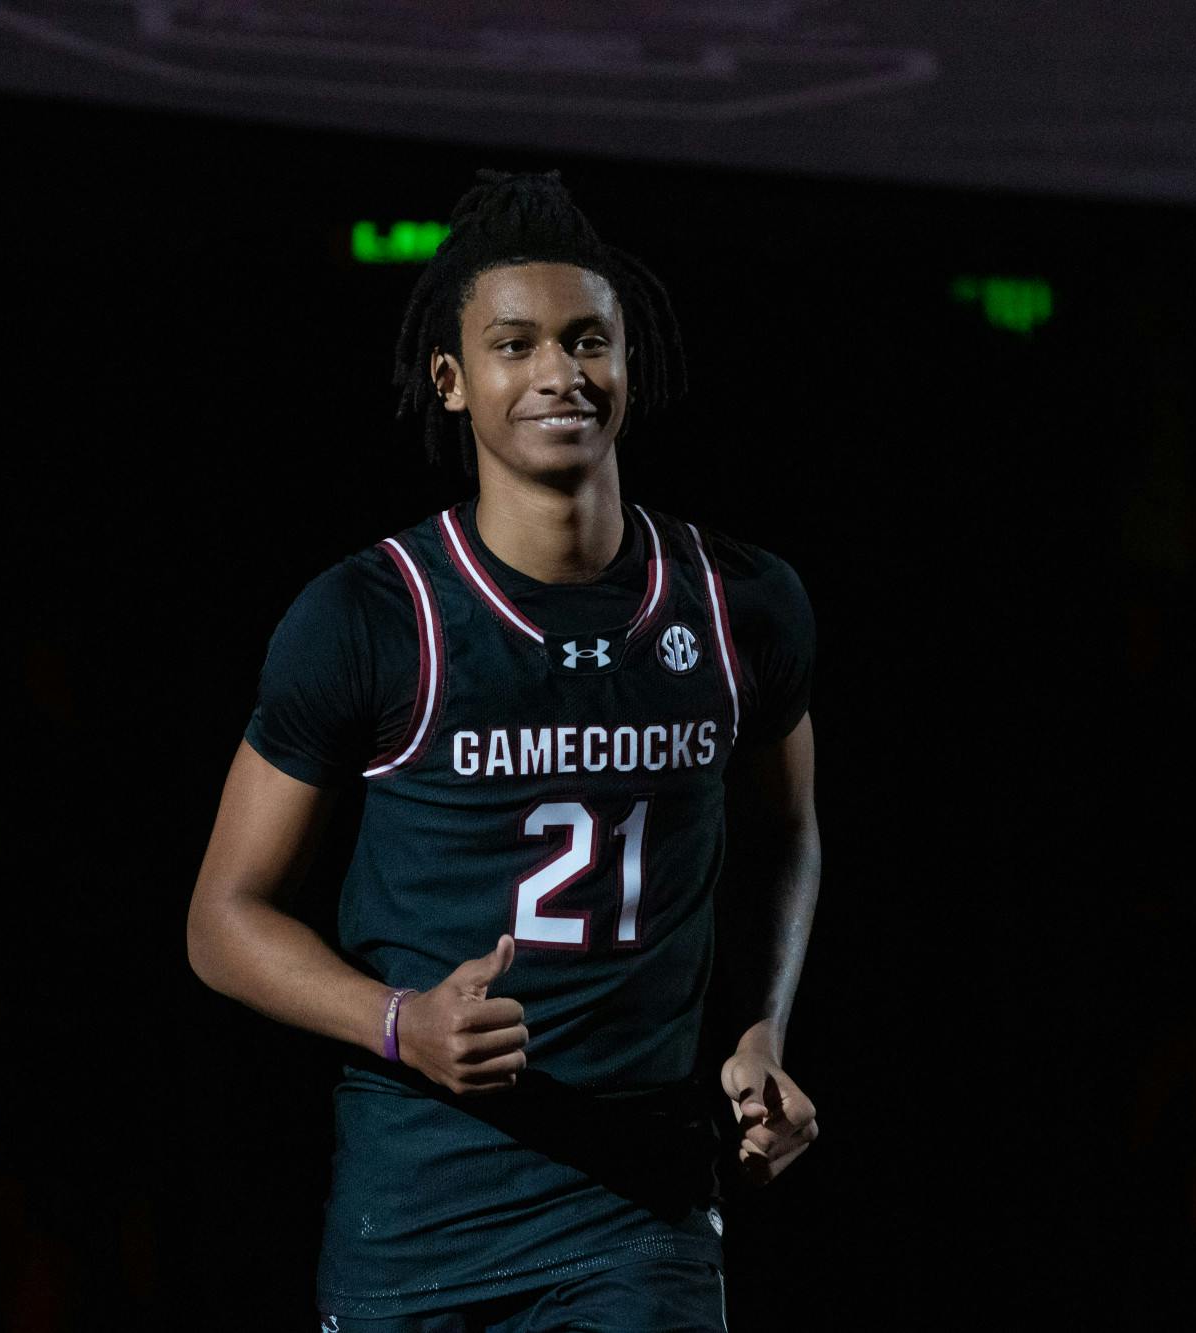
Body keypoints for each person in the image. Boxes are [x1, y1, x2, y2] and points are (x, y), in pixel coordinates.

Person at [187, 169, 821, 1332]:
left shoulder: (741, 605)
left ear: (629, 362)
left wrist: (758, 1027)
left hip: (642, 1212)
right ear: (452, 379)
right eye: (514, 343)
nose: (558, 374)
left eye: (588, 340)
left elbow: (786, 832)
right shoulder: (372, 617)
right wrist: (399, 1021)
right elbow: (221, 919)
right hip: (420, 1217)